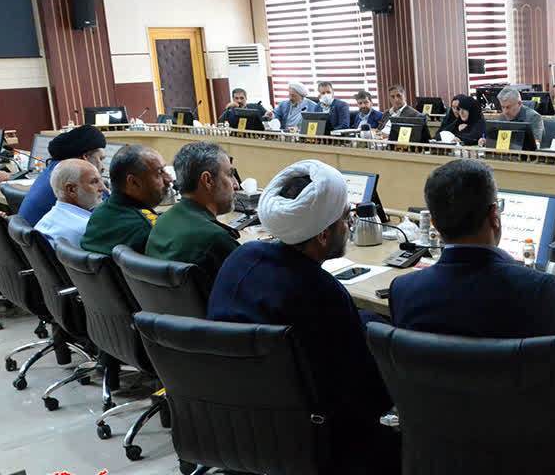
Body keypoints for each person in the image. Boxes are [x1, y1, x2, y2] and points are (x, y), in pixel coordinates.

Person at [389, 159, 555, 436]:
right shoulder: (539, 290)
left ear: (433, 223)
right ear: (494, 216)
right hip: (529, 448)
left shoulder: (403, 290)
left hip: (438, 447)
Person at [208, 160, 397, 472]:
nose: (349, 226)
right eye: (345, 218)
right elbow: (368, 397)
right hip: (320, 442)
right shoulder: (320, 291)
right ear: (323, 235)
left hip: (237, 423)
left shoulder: (240, 259)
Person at [144, 142, 241, 294]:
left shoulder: (163, 221)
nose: (236, 185)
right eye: (229, 174)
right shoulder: (215, 239)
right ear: (208, 180)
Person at [80, 144, 169, 256]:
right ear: (133, 182)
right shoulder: (145, 228)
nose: (169, 179)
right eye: (160, 172)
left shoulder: (100, 212)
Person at [18, 125, 107, 226]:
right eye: (100, 159)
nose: (103, 167)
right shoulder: (73, 177)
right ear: (85, 157)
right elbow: (107, 216)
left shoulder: (54, 169)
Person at [33, 159, 103, 247]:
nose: (102, 188)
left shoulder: (46, 219)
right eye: (94, 182)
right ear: (71, 190)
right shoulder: (88, 229)